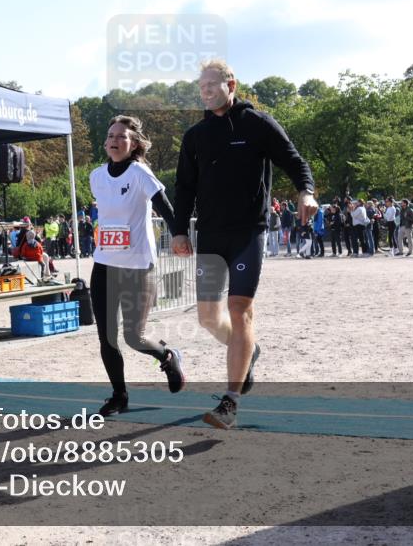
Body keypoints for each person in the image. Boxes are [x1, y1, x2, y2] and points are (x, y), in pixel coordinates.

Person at [170, 60, 316, 429]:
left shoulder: (258, 123)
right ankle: (249, 351)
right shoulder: (196, 136)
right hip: (211, 234)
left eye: (211, 84)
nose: (204, 91)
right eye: (200, 85)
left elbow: (294, 161)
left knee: (239, 309)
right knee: (207, 318)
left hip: (249, 231)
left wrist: (307, 192)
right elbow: (184, 188)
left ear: (230, 83)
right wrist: (179, 231)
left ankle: (230, 402)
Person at [89, 115, 184, 416]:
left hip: (138, 267)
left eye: (122, 136)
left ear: (134, 144)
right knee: (106, 337)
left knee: (134, 336)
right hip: (104, 265)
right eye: (110, 135)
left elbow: (166, 209)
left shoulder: (140, 173)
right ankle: (119, 396)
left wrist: (179, 235)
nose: (114, 140)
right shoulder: (96, 176)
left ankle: (167, 355)